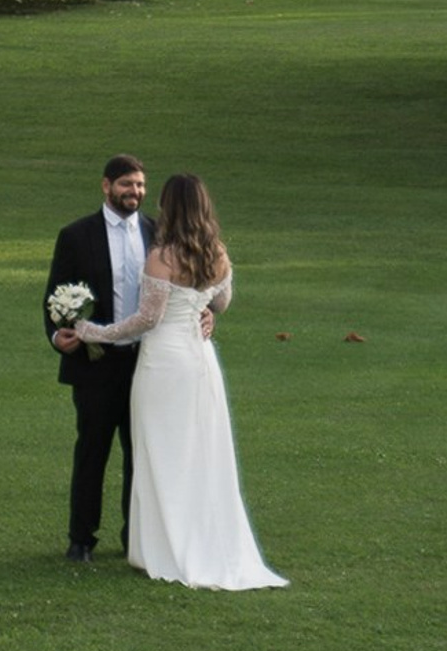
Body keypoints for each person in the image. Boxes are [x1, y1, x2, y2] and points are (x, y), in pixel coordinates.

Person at [62, 170, 286, 591]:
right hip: (200, 360)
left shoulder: (162, 255)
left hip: (164, 362)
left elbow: (148, 318)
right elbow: (221, 301)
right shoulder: (216, 252)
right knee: (199, 451)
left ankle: (163, 546)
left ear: (170, 206)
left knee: (160, 450)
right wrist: (204, 312)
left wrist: (94, 332)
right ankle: (183, 538)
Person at [43, 154, 158, 566]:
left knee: (140, 452)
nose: (136, 193)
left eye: (141, 185)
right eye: (127, 185)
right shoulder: (76, 235)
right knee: (92, 450)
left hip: (145, 362)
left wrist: (205, 311)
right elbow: (54, 296)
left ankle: (136, 537)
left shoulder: (156, 233)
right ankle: (81, 539)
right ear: (106, 186)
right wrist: (59, 336)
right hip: (94, 363)